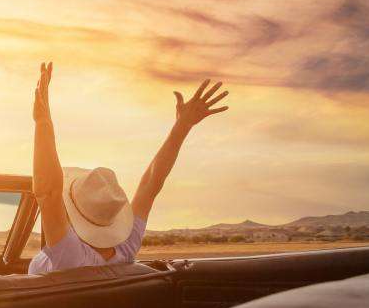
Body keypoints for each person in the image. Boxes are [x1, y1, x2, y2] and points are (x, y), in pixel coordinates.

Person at [28, 62, 230, 274]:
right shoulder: (126, 248)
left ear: (72, 213)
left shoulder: (70, 256)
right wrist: (182, 126)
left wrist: (43, 122)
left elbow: (49, 192)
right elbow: (150, 185)